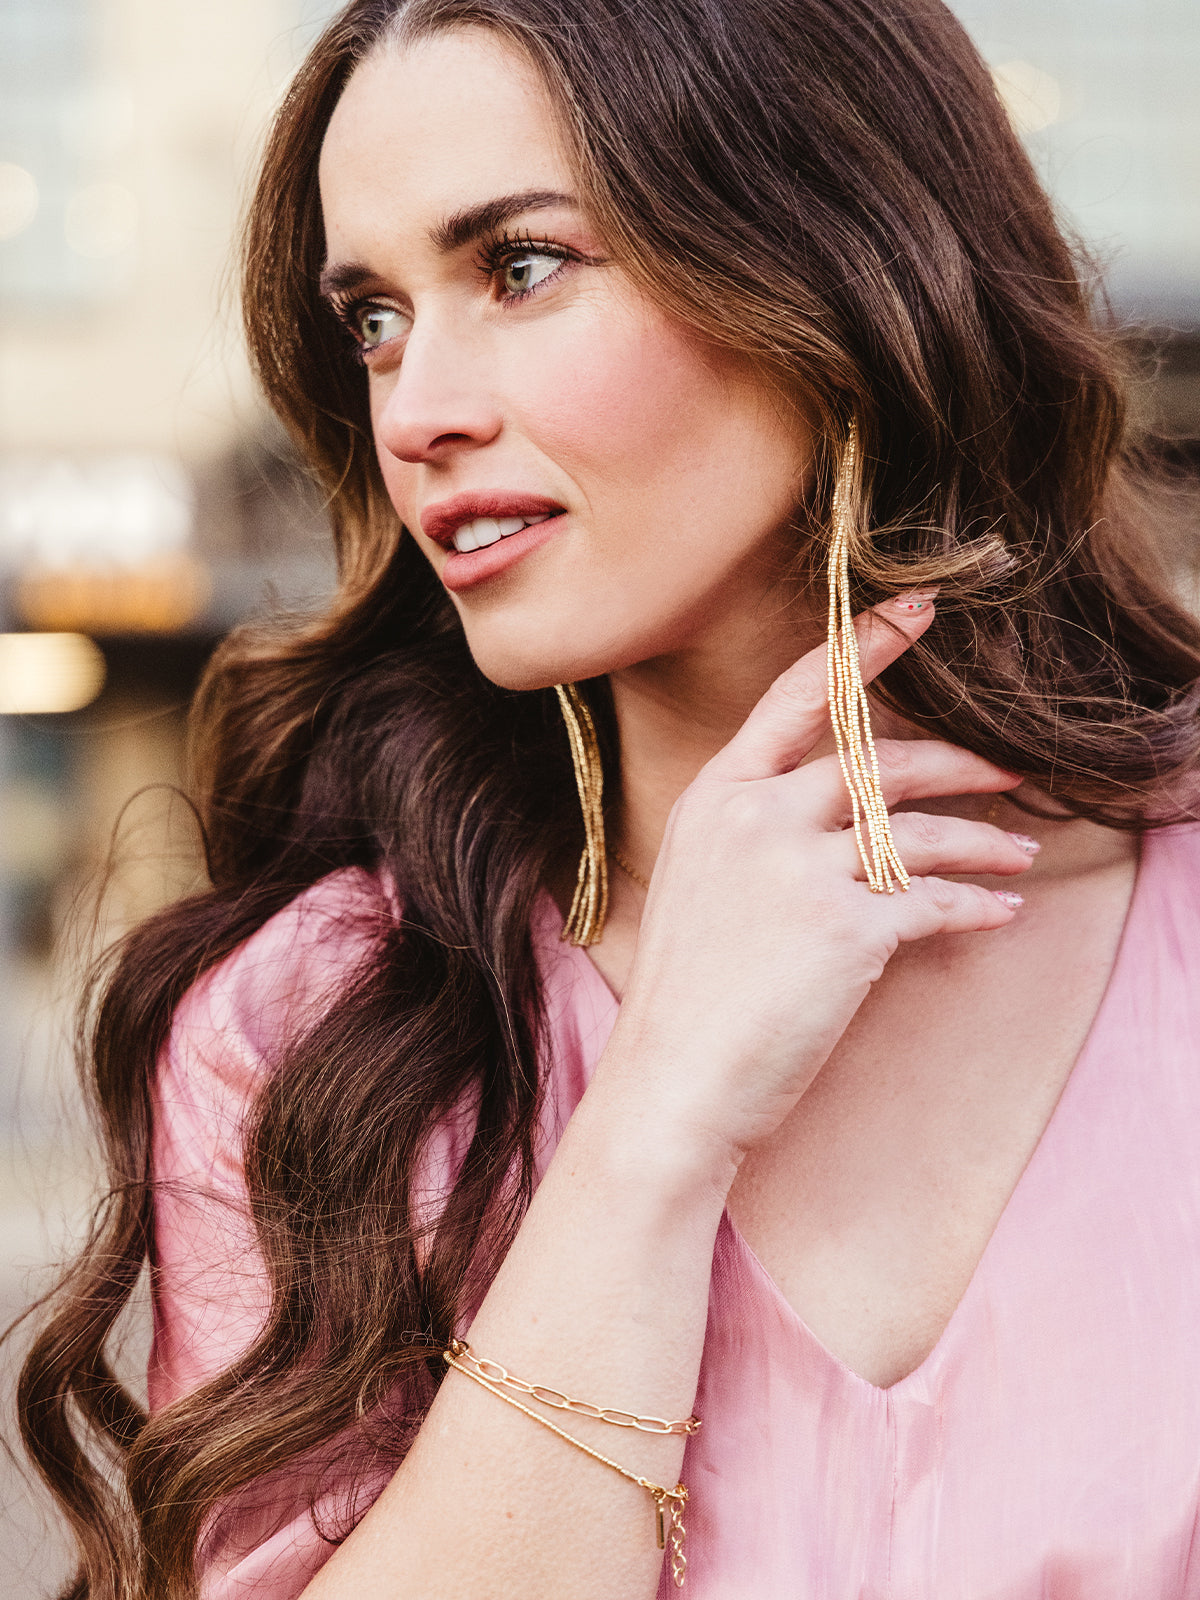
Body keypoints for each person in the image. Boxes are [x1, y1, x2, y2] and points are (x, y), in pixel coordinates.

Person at [17, 0, 1200, 1595]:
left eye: (517, 268)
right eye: (373, 319)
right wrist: (655, 1128)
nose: (415, 408)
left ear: (827, 260)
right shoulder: (320, 1027)